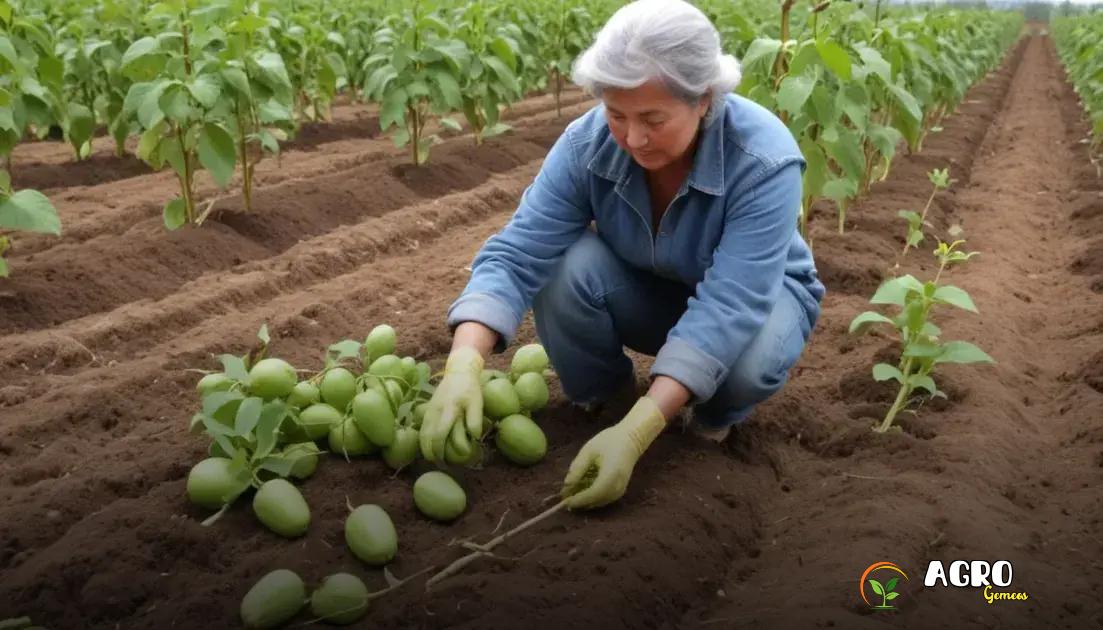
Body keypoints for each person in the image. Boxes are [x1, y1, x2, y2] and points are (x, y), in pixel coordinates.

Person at [419, 0, 825, 510]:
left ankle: (707, 423)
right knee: (563, 266)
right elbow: (519, 252)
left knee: (748, 364)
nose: (633, 137)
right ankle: (607, 402)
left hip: (760, 300)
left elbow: (731, 304)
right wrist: (462, 365)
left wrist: (640, 433)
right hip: (649, 286)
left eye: (654, 118)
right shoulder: (586, 144)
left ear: (704, 100)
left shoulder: (764, 160)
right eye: (616, 114)